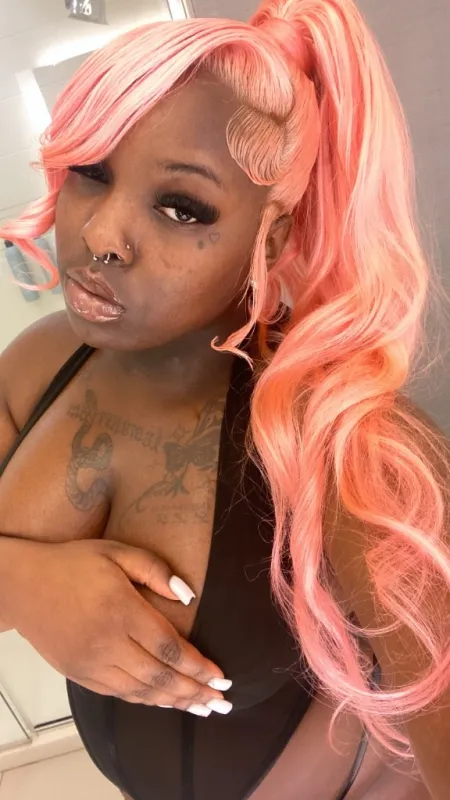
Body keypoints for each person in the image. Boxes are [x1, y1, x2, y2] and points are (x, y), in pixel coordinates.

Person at [0, 0, 449, 797]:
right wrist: (29, 588)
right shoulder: (39, 362)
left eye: (181, 207)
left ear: (268, 239)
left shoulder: (348, 445)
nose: (102, 235)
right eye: (91, 172)